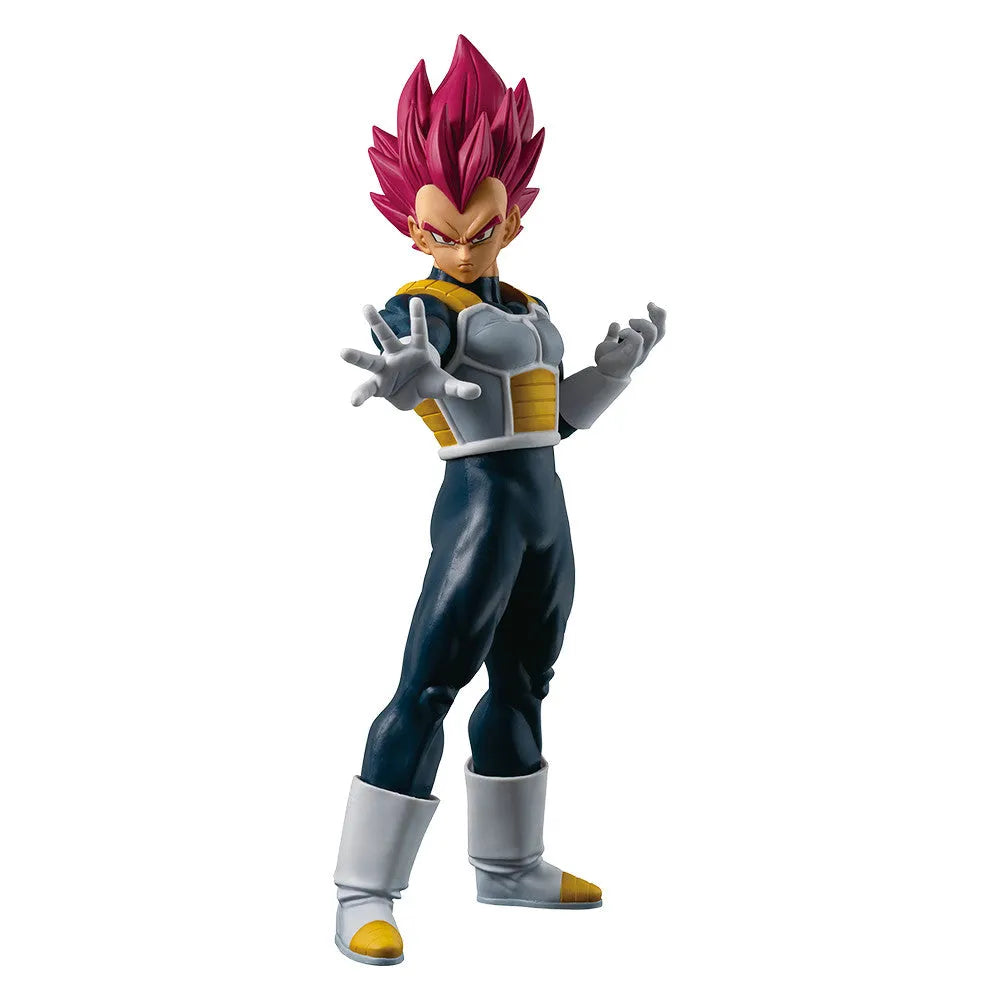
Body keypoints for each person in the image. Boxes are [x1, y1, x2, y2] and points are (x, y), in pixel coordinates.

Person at [334, 35, 666, 966]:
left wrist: (612, 373)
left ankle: (508, 864)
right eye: (440, 232)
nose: (461, 246)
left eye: (479, 227)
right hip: (478, 512)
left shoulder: (526, 304)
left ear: (512, 216)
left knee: (526, 681)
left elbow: (554, 422)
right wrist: (411, 375)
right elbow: (416, 360)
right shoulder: (425, 307)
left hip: (543, 508)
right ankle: (363, 890)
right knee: (428, 686)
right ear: (411, 227)